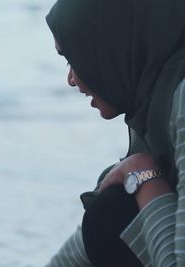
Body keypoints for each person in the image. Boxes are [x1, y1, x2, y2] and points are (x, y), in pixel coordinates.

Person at [43, 0, 185, 266]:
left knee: (115, 209)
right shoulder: (155, 100)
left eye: (72, 58)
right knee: (115, 207)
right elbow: (84, 244)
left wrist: (144, 175)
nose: (71, 79)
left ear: (110, 45)